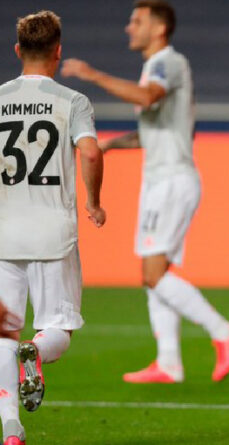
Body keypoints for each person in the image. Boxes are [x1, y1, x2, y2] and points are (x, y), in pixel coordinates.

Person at [61, 0, 229, 384]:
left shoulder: (167, 62)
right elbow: (151, 132)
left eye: (137, 21)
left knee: (153, 273)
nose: (129, 27)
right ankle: (168, 362)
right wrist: (109, 146)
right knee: (151, 268)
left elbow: (147, 97)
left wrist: (92, 75)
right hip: (160, 179)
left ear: (158, 28)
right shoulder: (155, 66)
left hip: (173, 179)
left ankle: (223, 331)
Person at [0, 10, 106, 444]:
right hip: (53, 233)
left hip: (5, 235)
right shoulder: (72, 101)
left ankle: (10, 428)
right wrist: (94, 202)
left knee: (4, 332)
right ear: (58, 53)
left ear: (17, 51)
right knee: (58, 329)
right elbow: (92, 153)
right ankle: (36, 354)